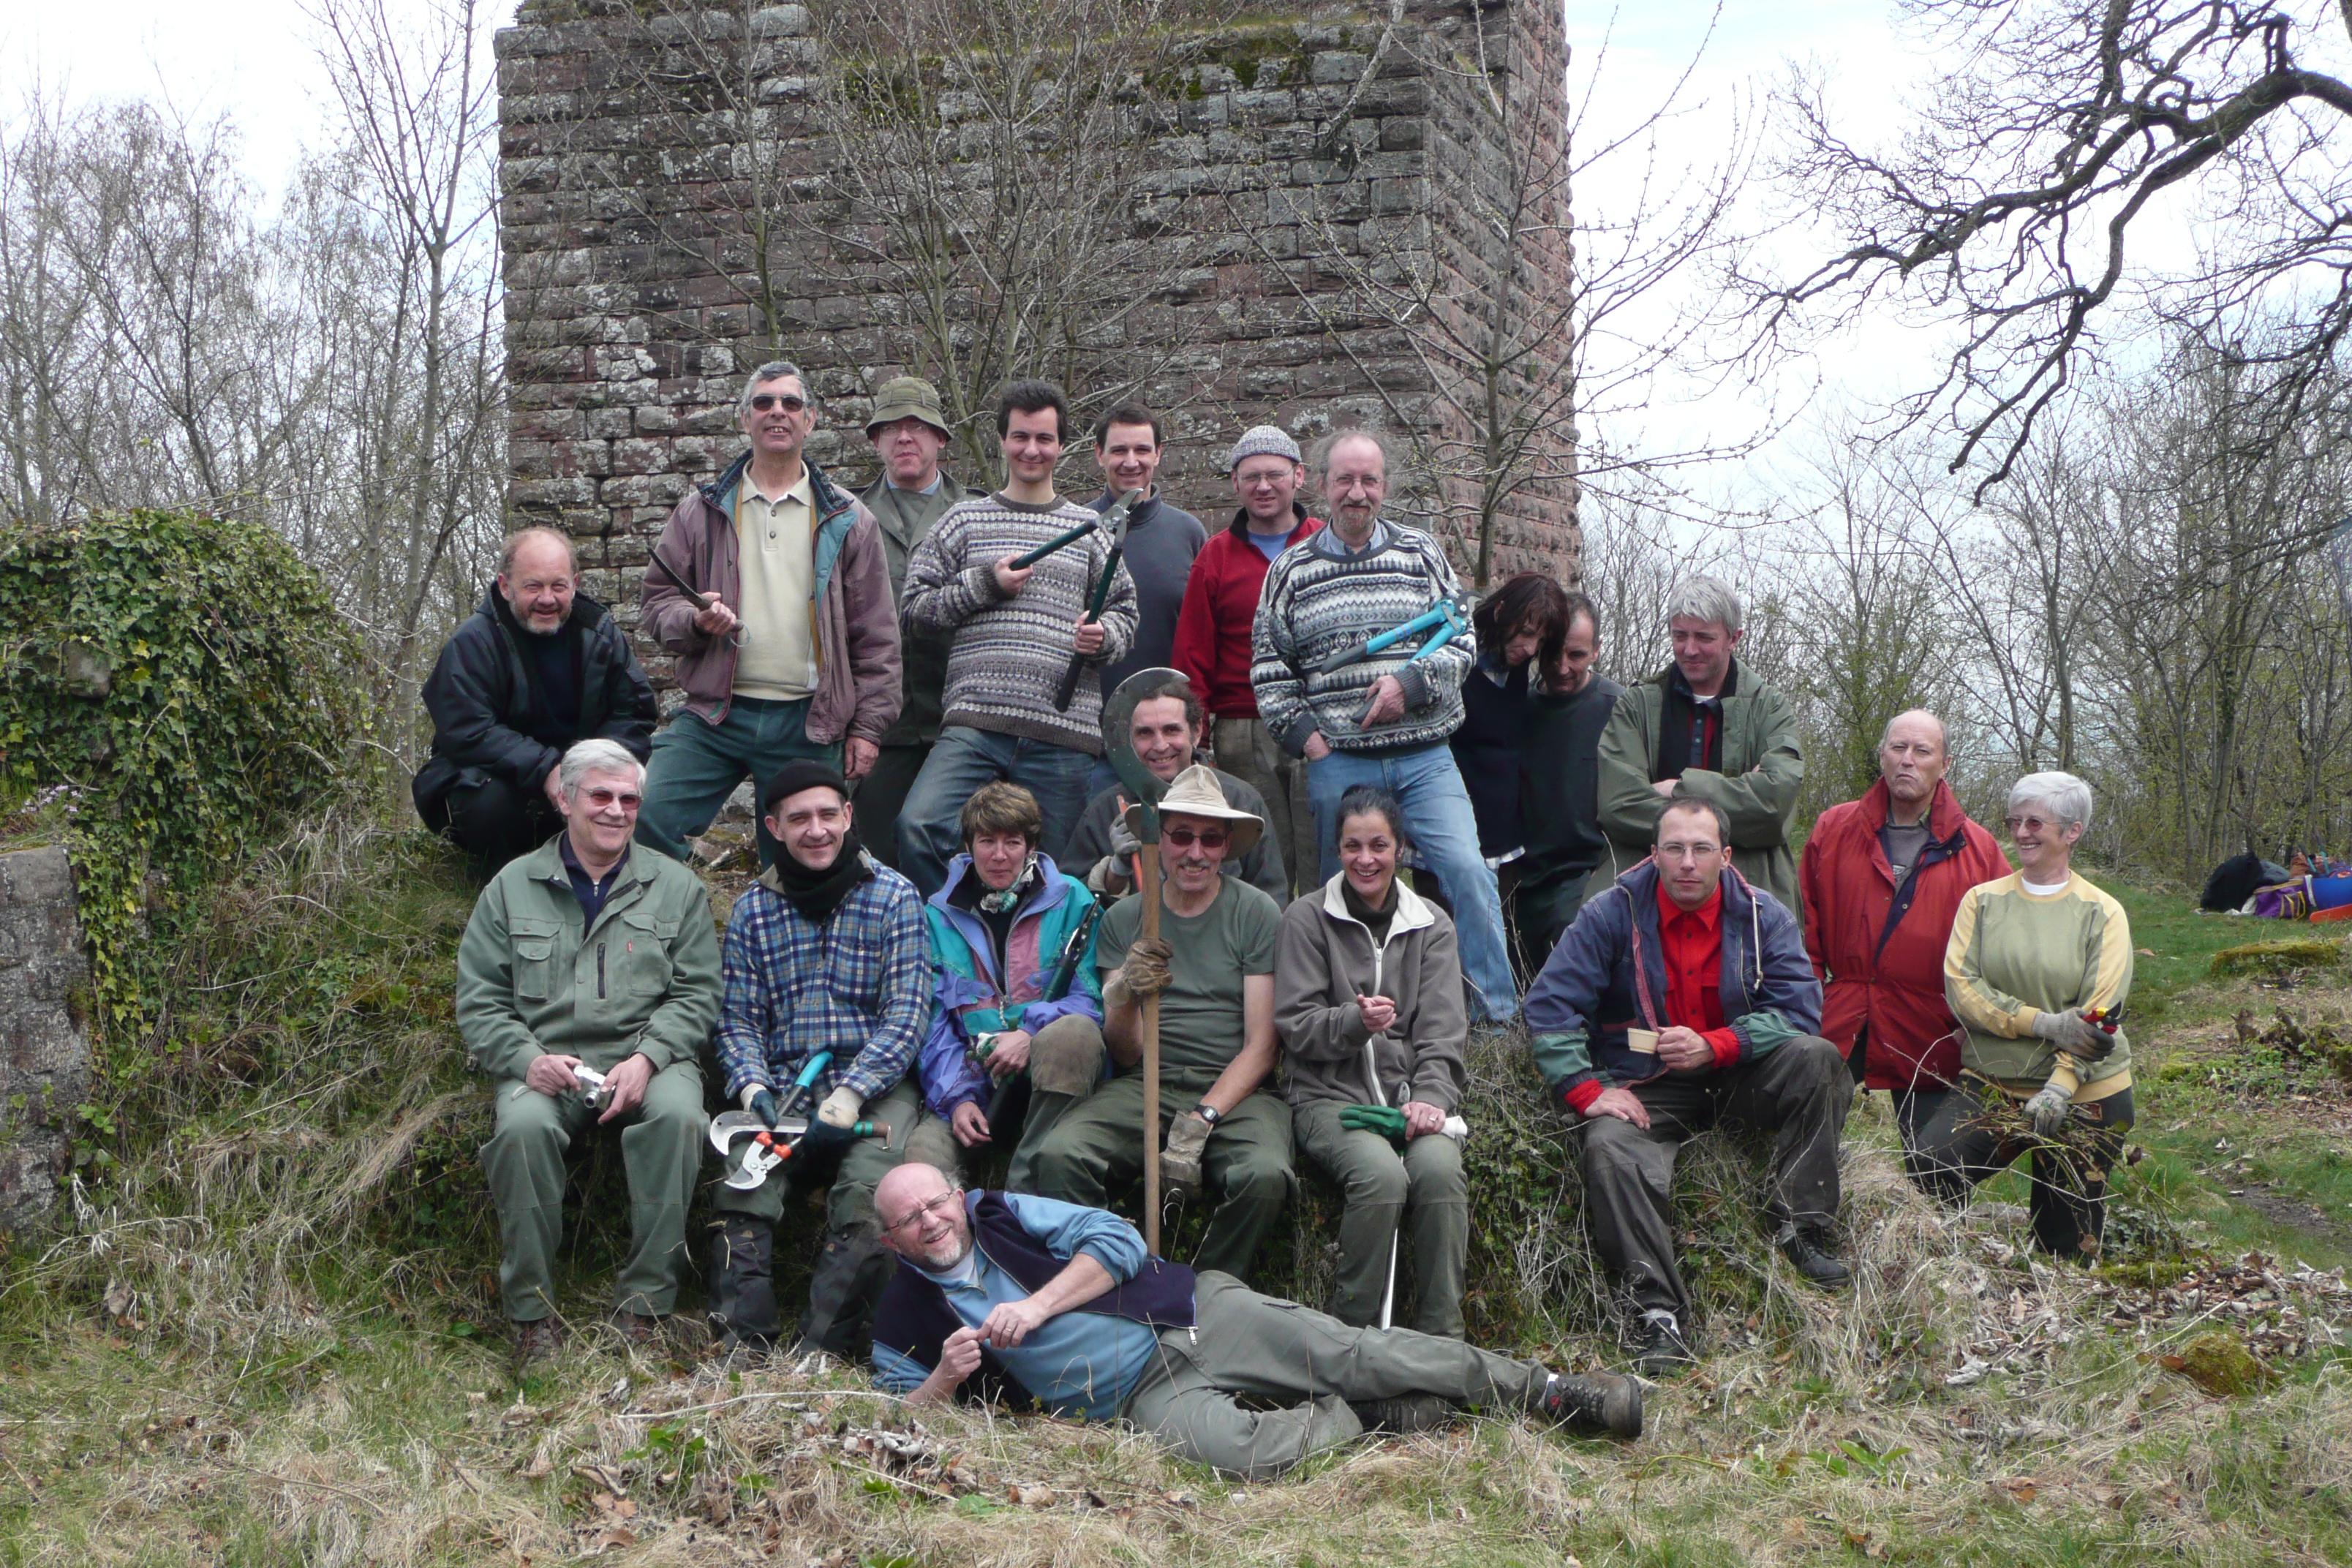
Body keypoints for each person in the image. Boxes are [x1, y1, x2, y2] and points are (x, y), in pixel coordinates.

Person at [867, 1164, 1643, 1479]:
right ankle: (1369, 1419)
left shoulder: (1002, 1211)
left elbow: (1121, 1241)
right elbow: (894, 1419)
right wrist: (945, 1379)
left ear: (958, 1194)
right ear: (891, 1240)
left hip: (1192, 1314)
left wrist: (1037, 1305)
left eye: (937, 1202)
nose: (932, 1221)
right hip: (1138, 1397)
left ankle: (1548, 1391)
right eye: (910, 1219)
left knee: (1359, 1352)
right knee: (1238, 1458)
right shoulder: (903, 1311)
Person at [1523, 795, 1851, 1376]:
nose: (1687, 863)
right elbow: (1549, 1007)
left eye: (1702, 849)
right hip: (1647, 1082)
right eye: (1674, 849)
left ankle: (1801, 1228)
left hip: (1741, 1074)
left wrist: (1717, 1044)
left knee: (1818, 1059)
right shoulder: (1610, 913)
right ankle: (1657, 1312)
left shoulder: (1764, 916)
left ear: (1726, 855)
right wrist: (1587, 1090)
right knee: (1608, 1145)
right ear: (1653, 854)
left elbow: (1801, 1012)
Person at [455, 739, 720, 1361]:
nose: (616, 811)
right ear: (566, 800)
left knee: (681, 1119)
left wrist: (649, 1058)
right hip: (546, 1062)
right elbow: (480, 998)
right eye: (601, 795)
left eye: (630, 799)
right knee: (521, 1130)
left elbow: (699, 992)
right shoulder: (512, 885)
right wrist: (527, 1060)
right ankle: (531, 1315)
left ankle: (645, 1306)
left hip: (650, 1057)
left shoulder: (677, 886)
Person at [1249, 430, 1518, 1022]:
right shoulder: (1291, 571)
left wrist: (1411, 685)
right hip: (1340, 763)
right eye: (1345, 479)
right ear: (1323, 485)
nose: (1357, 492)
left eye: (1368, 480)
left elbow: (1462, 641)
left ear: (1385, 486)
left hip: (1426, 758)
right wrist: (1312, 744)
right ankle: (1342, 1019)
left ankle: (1495, 1018)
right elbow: (1269, 672)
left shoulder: (1421, 554)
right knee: (1338, 892)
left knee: (1468, 871)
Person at [706, 761, 952, 1357]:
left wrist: (850, 1094)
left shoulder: (894, 896)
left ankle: (823, 1349)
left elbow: (906, 1016)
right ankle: (743, 1343)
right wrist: (751, 1088)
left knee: (870, 1188)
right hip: (784, 1083)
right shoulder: (752, 909)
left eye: (826, 815)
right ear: (774, 827)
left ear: (847, 816)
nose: (815, 830)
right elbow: (738, 1019)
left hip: (875, 1086)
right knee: (744, 1181)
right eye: (798, 819)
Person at [1028, 766, 1293, 1282]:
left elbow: (1263, 1046)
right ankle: (1109, 1275)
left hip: (1235, 1089)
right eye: (1181, 836)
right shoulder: (1128, 918)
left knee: (1264, 1177)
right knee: (1060, 1155)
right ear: (1159, 840)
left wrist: (1204, 1117)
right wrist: (1125, 994)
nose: (1195, 852)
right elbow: (1126, 1053)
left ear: (1226, 847)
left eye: (1210, 839)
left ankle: (1205, 1291)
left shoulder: (1257, 912)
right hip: (1147, 1082)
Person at [634, 361, 902, 870]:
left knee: (797, 865)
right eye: (763, 403)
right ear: (745, 419)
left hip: (809, 722)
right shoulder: (701, 510)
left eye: (791, 404)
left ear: (810, 420)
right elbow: (657, 603)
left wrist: (868, 728)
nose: (777, 412)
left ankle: (774, 920)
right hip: (716, 714)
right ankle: (680, 913)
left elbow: (878, 638)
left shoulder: (849, 519)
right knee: (647, 813)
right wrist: (694, 621)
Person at [896, 380, 1139, 894]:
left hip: (1061, 735)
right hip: (975, 725)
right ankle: (965, 925)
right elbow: (914, 611)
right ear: (1002, 441)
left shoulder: (1091, 529)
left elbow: (1124, 613)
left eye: (1044, 438)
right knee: (918, 827)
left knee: (1057, 875)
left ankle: (1031, 946)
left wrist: (1103, 637)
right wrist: (984, 585)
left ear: (1061, 445)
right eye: (1021, 437)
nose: (1032, 449)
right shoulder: (964, 520)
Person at [1275, 786, 1469, 1337]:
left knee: (1440, 1173)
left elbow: (1442, 1030)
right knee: (1381, 1177)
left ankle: (1441, 1340)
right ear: (1337, 849)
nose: (1366, 859)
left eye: (1379, 846)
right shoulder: (1305, 918)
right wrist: (1353, 1023)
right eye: (1353, 846)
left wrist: (1431, 1098)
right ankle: (1351, 1340)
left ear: (1400, 849)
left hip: (1407, 1101)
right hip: (1327, 1099)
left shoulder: (1431, 923)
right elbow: (1294, 1026)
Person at [1917, 771, 2133, 1262]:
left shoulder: (2103, 913)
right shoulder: (1982, 902)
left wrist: (2060, 1087)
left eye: (2035, 822)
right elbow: (1962, 988)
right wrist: (2041, 1023)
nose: (2020, 833)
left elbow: (2098, 1019)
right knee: (1931, 1169)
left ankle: (2060, 1296)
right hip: (1996, 1082)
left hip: (2085, 1095)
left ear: (2072, 831)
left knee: (2064, 1247)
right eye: (2014, 821)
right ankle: (1949, 1280)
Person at [1799, 709, 2010, 1145]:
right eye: (1898, 748)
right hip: (1842, 1011)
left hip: (1932, 1028)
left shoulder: (1979, 851)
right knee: (1805, 1127)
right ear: (1882, 755)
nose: (1907, 760)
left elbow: (2004, 951)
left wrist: (1974, 1024)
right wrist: (1803, 1002)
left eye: (1922, 751)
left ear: (1945, 764)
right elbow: (1805, 928)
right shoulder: (1834, 829)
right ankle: (1814, 1189)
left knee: (1934, 1164)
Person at [414, 529, 657, 875]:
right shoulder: (473, 642)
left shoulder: (601, 635)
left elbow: (634, 714)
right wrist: (547, 770)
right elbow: (467, 730)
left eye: (558, 586)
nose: (547, 599)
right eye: (533, 587)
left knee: (650, 798)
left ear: (575, 584)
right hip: (500, 781)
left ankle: (605, 875)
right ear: (505, 586)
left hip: (584, 779)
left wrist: (593, 773)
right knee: (489, 804)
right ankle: (505, 879)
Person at [915, 783, 1106, 1192]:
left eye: (1013, 842)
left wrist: (1030, 1033)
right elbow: (932, 1024)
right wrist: (958, 1097)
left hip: (1052, 1075)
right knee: (922, 1155)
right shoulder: (936, 916)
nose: (999, 855)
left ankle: (1023, 1190)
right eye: (987, 841)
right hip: (976, 1077)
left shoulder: (1074, 900)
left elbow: (1092, 1001)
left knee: (1075, 1033)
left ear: (1031, 846)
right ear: (969, 845)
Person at [1596, 575, 1806, 918]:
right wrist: (1739, 798)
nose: (1689, 650)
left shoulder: (1770, 708)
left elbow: (1773, 808)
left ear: (1734, 638)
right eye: (1680, 636)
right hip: (1644, 898)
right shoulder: (1636, 706)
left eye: (1704, 638)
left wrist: (1679, 788)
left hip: (1748, 898)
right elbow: (1618, 807)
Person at [1170, 425, 1324, 891]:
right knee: (1263, 861)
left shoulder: (1326, 543)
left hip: (1319, 720)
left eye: (1274, 474)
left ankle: (1324, 935)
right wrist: (1196, 736)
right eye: (1251, 476)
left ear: (1298, 476)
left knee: (1322, 851)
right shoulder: (1215, 557)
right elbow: (1193, 653)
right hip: (1243, 728)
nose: (1263, 486)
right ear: (1235, 483)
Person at [856, 376, 983, 872]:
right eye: (891, 428)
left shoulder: (979, 514)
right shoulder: (849, 517)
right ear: (876, 441)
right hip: (882, 727)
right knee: (879, 861)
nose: (905, 438)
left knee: (965, 860)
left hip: (962, 723)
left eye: (918, 427)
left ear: (941, 439)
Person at [1060, 672, 1290, 903]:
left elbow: (1272, 897)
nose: (1160, 745)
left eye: (1171, 730)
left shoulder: (1242, 801)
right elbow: (1071, 903)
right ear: (1129, 739)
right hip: (1134, 928)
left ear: (1197, 731)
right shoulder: (1105, 810)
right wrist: (1115, 871)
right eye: (1145, 733)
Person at [1085, 402, 1206, 791]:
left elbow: (1203, 637)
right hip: (1089, 745)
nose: (1131, 461)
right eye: (1119, 450)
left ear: (1158, 453)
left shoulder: (1189, 533)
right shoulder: (1078, 530)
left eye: (1142, 450)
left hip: (1169, 745)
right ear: (1099, 454)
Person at [1510, 592, 1624, 968]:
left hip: (1586, 875)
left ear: (1596, 651)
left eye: (1576, 655)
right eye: (1552, 653)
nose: (1561, 667)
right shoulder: (1517, 707)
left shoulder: (1619, 710)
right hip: (1518, 876)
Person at [1450, 571, 1570, 870]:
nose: (1531, 649)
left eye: (1541, 640)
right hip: (1452, 828)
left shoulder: (1518, 666)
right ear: (1501, 612)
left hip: (1502, 834)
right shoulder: (1454, 656)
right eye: (1526, 633)